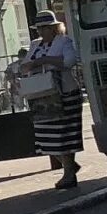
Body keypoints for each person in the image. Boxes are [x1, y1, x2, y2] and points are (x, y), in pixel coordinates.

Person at [21, 10, 84, 189]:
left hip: (65, 94)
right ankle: (69, 167)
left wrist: (45, 61)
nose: (41, 32)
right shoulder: (34, 45)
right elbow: (25, 66)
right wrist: (33, 65)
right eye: (39, 29)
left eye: (45, 28)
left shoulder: (64, 42)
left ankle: (68, 173)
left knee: (65, 135)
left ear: (54, 28)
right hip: (41, 96)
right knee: (45, 136)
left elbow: (69, 62)